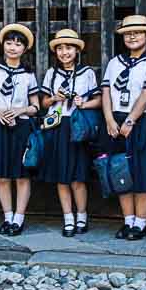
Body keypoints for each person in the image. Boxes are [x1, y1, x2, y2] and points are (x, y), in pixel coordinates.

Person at [100, 14, 146, 240]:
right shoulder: (114, 62)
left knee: (143, 173)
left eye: (137, 32)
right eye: (128, 33)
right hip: (114, 121)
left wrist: (130, 120)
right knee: (121, 172)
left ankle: (140, 222)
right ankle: (127, 221)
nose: (132, 36)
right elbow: (106, 91)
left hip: (142, 120)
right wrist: (109, 118)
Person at [37, 28, 101, 236]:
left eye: (69, 48)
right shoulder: (51, 73)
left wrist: (84, 103)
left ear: (77, 50)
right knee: (61, 177)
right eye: (60, 48)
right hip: (57, 127)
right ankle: (68, 219)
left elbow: (99, 100)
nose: (65, 52)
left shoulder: (87, 73)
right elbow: (43, 102)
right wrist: (55, 98)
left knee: (78, 177)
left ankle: (82, 216)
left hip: (77, 127)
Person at [0, 23, 40, 236]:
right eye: (9, 43)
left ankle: (19, 218)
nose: (12, 47)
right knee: (2, 175)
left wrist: (19, 110)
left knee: (21, 175)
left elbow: (36, 106)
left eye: (18, 44)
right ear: (3, 45)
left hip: (21, 126)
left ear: (24, 49)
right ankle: (7, 217)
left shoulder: (28, 75)